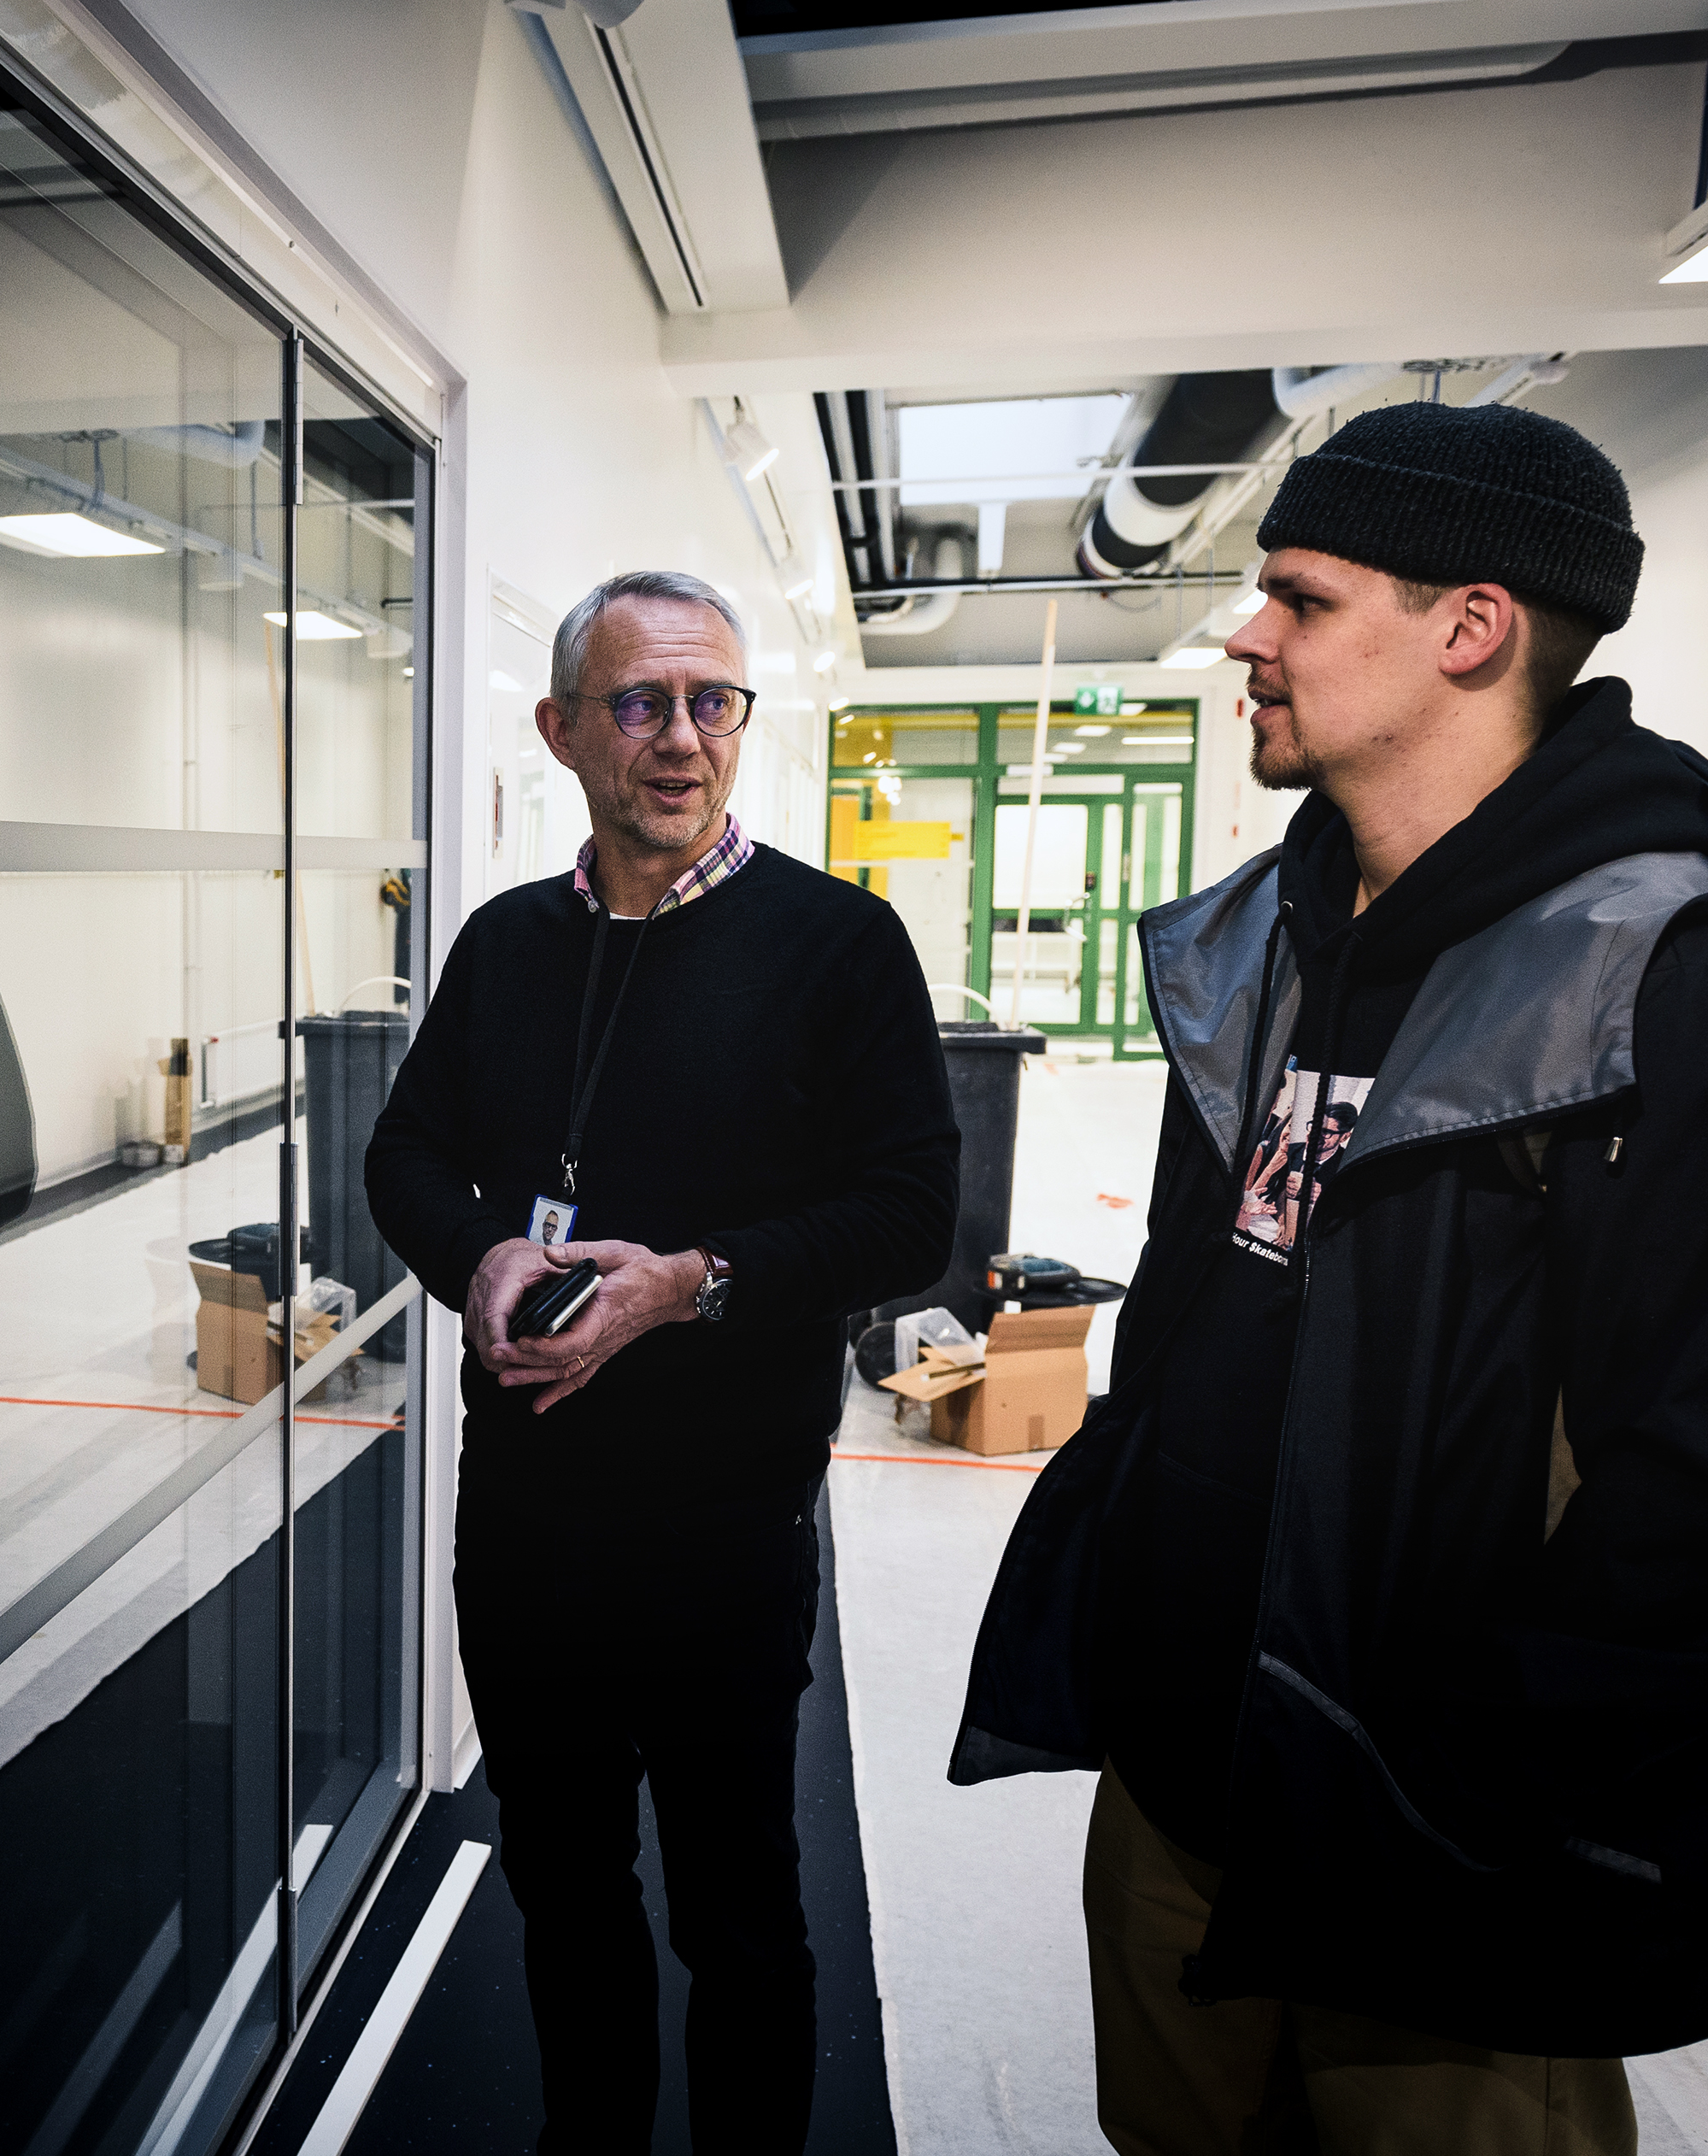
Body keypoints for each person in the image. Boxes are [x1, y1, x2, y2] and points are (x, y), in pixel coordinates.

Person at [952, 402, 1708, 2156]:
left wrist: (1460, 1760)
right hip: (1180, 1802)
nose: (1248, 632)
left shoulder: (1679, 993)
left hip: (1434, 1862)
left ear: (1470, 628)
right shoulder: (1263, 950)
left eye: (1299, 595)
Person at [366, 568, 959, 2151]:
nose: (683, 739)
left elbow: (911, 1216)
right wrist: (476, 1253)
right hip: (528, 1532)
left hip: (722, 1536)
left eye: (713, 702)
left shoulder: (840, 946)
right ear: (564, 731)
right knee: (562, 1893)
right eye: (641, 703)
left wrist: (692, 1285)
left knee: (738, 1912)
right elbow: (403, 1155)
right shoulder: (504, 947)